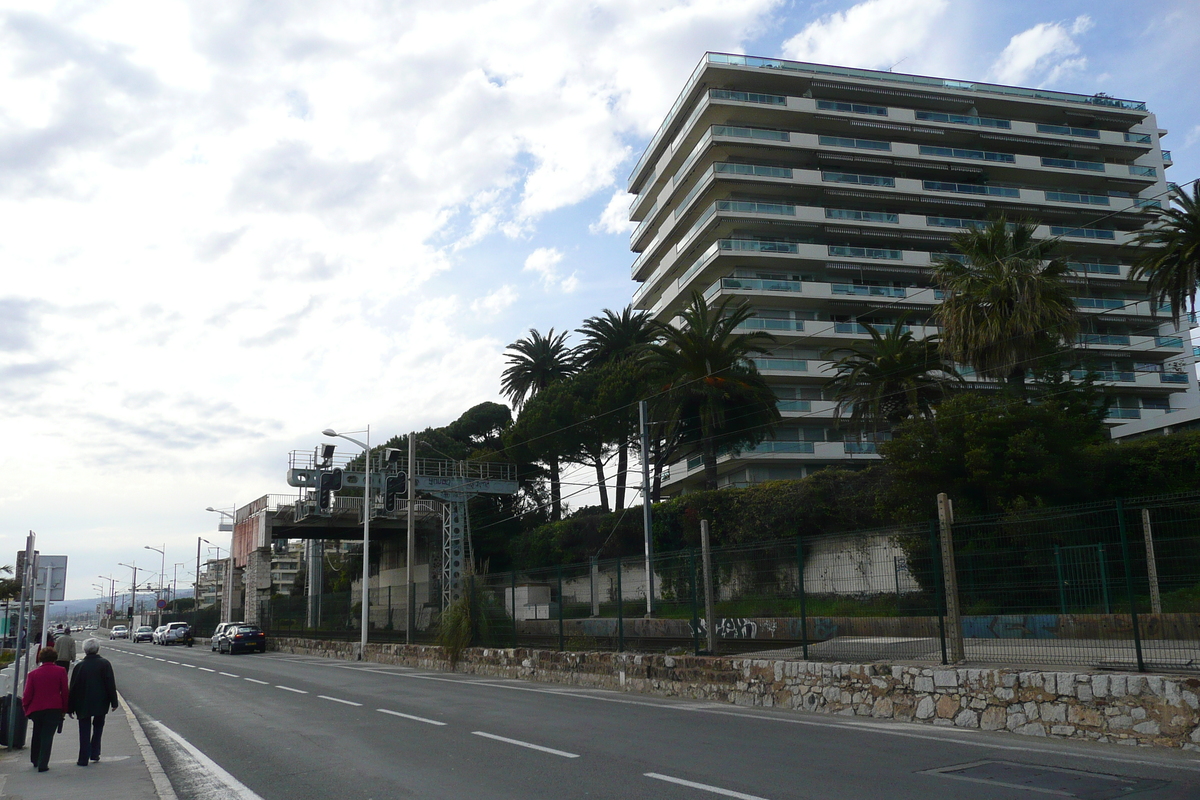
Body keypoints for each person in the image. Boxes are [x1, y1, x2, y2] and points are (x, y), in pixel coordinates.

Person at [68, 638, 119, 766]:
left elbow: (73, 687)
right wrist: (114, 702)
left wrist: (70, 707)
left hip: (82, 702)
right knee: (98, 726)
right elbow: (110, 684)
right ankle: (95, 753)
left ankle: (83, 758)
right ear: (97, 649)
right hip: (100, 701)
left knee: (84, 729)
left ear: (85, 650)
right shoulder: (105, 664)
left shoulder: (79, 667)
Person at [22, 646, 68, 772]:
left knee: (37, 733)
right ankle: (43, 763)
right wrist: (64, 709)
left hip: (36, 709)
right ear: (54, 658)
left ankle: (35, 759)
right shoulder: (61, 671)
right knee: (47, 736)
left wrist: (26, 709)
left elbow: (27, 694)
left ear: (41, 658)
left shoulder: (33, 674)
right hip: (54, 708)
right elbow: (64, 692)